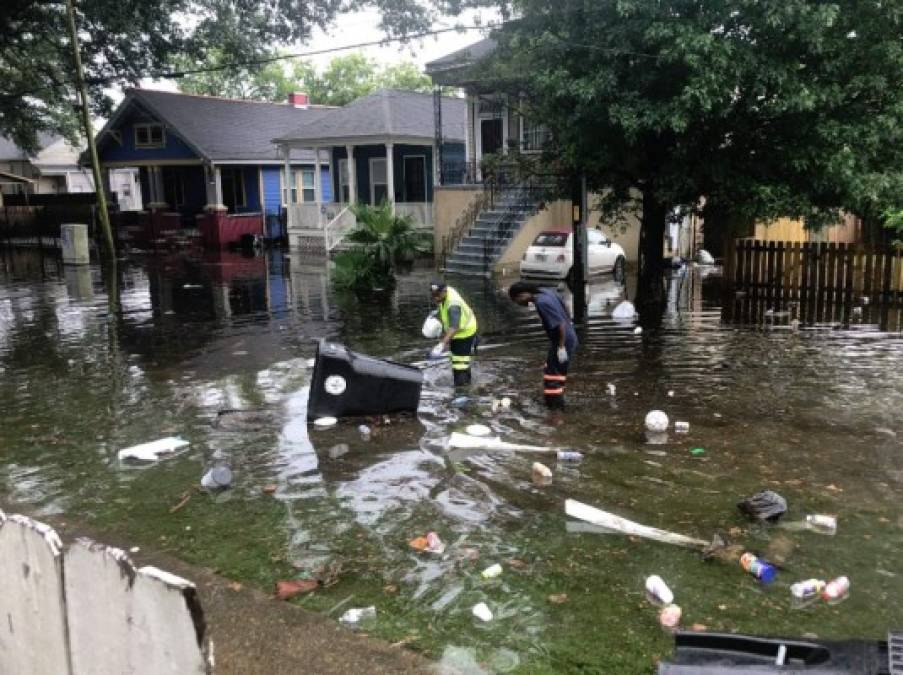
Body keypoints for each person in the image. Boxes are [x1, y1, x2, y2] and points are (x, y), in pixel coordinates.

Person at [508, 281, 578, 408]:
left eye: (517, 301)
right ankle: (558, 401)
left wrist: (561, 347)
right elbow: (566, 306)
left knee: (552, 376)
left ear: (522, 295)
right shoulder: (546, 292)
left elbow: (560, 325)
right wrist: (569, 322)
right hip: (569, 336)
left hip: (563, 340)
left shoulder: (541, 302)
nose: (520, 304)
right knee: (556, 370)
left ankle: (554, 409)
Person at [429, 282, 478, 386]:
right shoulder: (446, 292)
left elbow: (454, 327)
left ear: (444, 291)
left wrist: (442, 344)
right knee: (460, 359)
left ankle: (462, 389)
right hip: (460, 330)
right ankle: (467, 382)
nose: (436, 298)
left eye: (438, 295)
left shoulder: (453, 305)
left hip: (464, 332)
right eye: (433, 295)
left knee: (459, 364)